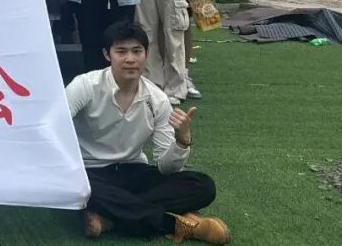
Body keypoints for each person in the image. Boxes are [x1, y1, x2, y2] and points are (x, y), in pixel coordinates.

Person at [67, 21, 229, 244]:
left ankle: (110, 218)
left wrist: (182, 141)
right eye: (121, 52)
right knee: (79, 188)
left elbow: (166, 168)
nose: (130, 59)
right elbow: (55, 126)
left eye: (137, 51)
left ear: (146, 54)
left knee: (202, 186)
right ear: (107, 55)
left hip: (133, 171)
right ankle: (173, 224)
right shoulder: (85, 86)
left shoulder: (157, 99)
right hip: (90, 172)